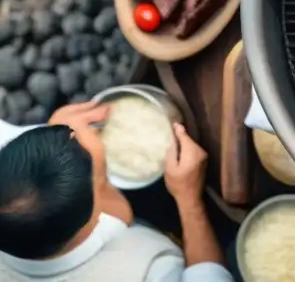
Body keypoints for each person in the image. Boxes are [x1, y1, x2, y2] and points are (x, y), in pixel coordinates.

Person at [0, 101, 230, 281]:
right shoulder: (152, 271)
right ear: (93, 220)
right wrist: (190, 202)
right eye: (105, 182)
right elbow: (207, 275)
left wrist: (53, 133)